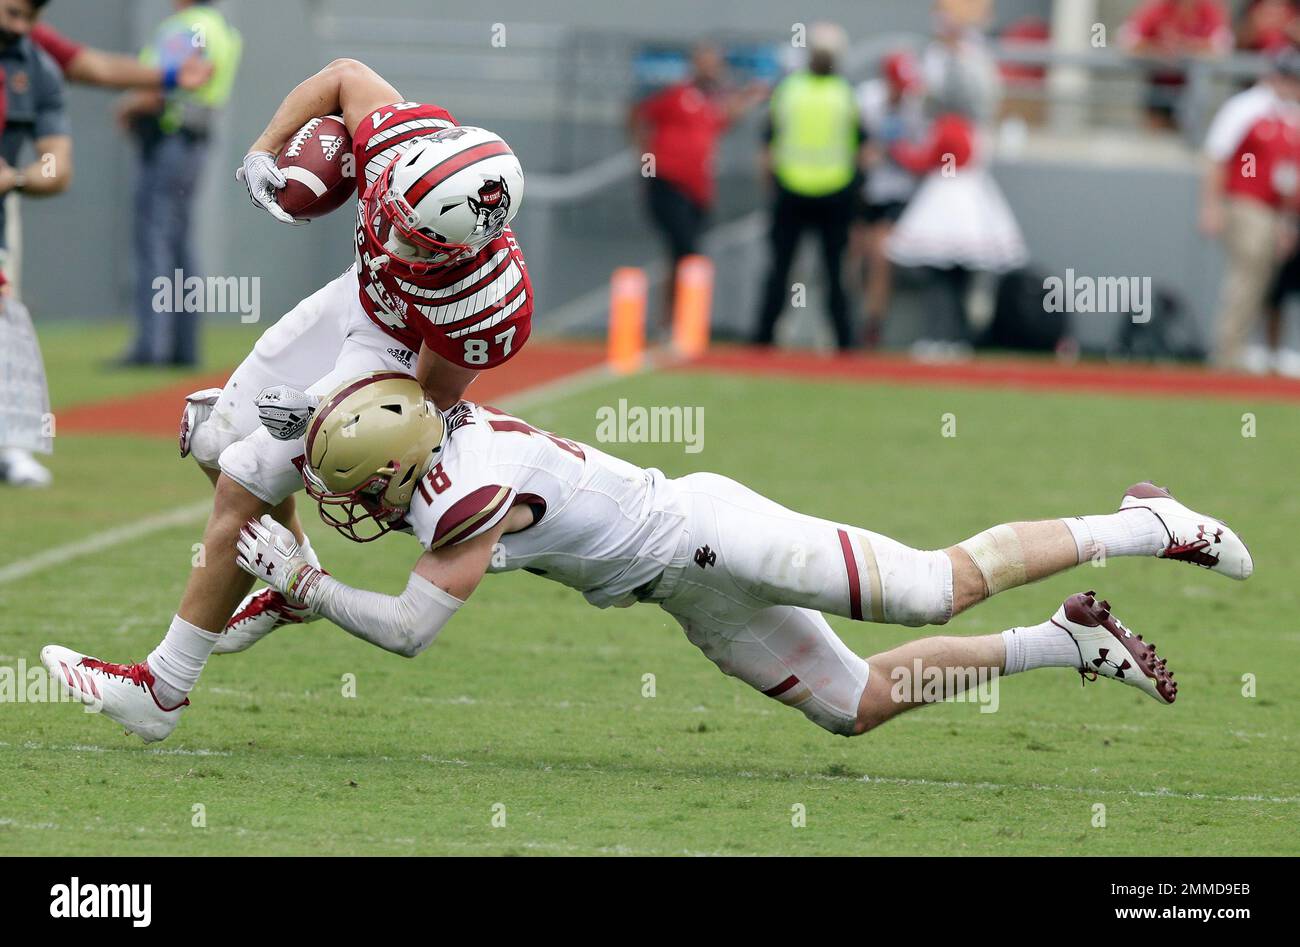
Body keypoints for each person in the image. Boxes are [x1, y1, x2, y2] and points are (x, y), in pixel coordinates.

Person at [41, 371, 1254, 742]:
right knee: (851, 705)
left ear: (402, 462)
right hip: (674, 585)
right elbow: (318, 462)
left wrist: (305, 585)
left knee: (930, 581)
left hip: (709, 531)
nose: (354, 502)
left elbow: (405, 630)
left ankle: (1147, 520)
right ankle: (1068, 638)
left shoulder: (462, 491)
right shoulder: (409, 441)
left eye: (365, 489)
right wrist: (274, 598)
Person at [44, 58, 535, 730]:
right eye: (392, 214)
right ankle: (292, 588)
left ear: (466, 244)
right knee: (217, 437)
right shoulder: (398, 139)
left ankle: (161, 689)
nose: (390, 237)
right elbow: (342, 75)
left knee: (245, 473)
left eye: (415, 240)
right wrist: (263, 148)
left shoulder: (484, 302)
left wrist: (320, 417)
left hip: (394, 353)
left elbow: (420, 409)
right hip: (352, 300)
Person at [115, 0, 241, 367]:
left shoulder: (185, 26)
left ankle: (151, 347)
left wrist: (127, 108)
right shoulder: (222, 29)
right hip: (195, 140)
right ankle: (184, 347)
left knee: (154, 239)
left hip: (168, 139)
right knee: (181, 243)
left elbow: (165, 83)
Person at [629, 43, 765, 327]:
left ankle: (671, 321)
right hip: (668, 183)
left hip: (696, 191)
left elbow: (723, 120)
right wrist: (645, 155)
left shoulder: (709, 103)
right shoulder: (676, 95)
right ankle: (681, 321)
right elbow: (639, 114)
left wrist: (749, 97)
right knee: (687, 251)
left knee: (680, 255)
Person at [752, 22, 863, 352]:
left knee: (796, 271)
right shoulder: (841, 93)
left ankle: (767, 338)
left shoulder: (793, 90)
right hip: (823, 191)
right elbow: (862, 147)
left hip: (806, 191)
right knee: (821, 273)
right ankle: (841, 342)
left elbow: (769, 144)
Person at [0, 0, 73, 489]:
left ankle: (9, 447)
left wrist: (17, 176)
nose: (22, 27)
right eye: (12, 13)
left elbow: (56, 166)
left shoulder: (39, 69)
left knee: (4, 321)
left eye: (31, 17)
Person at [1199, 47, 1300, 370]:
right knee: (1247, 276)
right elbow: (1217, 156)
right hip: (1245, 203)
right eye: (1286, 76)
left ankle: (1240, 348)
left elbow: (1288, 176)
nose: (1290, 84)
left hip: (1274, 210)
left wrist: (1287, 222)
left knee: (1260, 280)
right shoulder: (1245, 108)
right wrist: (1211, 206)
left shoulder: (1290, 115)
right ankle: (1228, 352)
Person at [854, 50, 925, 349]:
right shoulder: (865, 101)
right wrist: (863, 155)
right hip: (864, 188)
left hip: (896, 191)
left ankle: (873, 324)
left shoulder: (916, 109)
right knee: (855, 253)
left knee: (881, 254)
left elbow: (923, 154)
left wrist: (899, 154)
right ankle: (847, 318)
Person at [1121, 0, 1233, 131]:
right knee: (1156, 136)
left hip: (1193, 88)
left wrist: (1187, 47)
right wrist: (1157, 48)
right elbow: (1128, 41)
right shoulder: (1159, 7)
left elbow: (1222, 46)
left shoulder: (1209, 8)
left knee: (1191, 132)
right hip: (1160, 86)